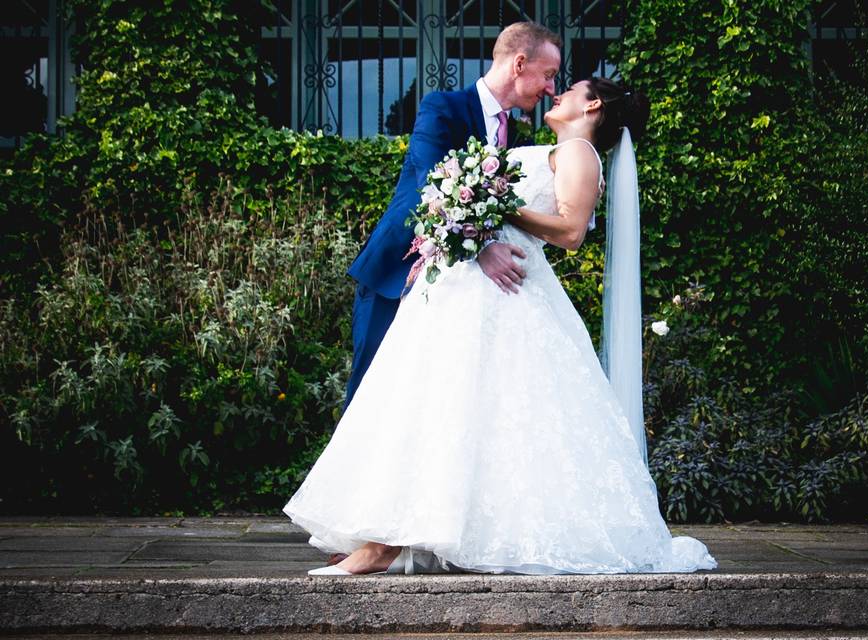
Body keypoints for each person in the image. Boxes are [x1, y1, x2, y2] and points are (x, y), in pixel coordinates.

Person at [283, 76, 719, 576]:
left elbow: (572, 232)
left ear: (592, 104)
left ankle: (389, 545)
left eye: (570, 89)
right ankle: (397, 538)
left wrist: (491, 205)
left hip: (506, 295)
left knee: (463, 408)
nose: (558, 94)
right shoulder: (553, 148)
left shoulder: (580, 151)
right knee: (442, 409)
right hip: (469, 292)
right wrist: (466, 217)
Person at [342, 22, 562, 410]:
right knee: (369, 404)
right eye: (548, 75)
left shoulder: (519, 137)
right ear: (520, 63)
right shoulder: (442, 108)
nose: (551, 88)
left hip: (457, 298)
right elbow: (433, 186)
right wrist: (483, 248)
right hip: (399, 274)